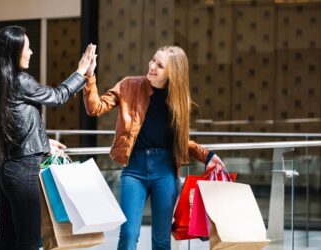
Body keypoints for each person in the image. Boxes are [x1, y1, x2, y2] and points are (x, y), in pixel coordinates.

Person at [83, 45, 226, 250]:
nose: (152, 66)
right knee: (128, 235)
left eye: (160, 65)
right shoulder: (129, 85)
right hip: (134, 169)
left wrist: (207, 155)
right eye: (153, 60)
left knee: (161, 239)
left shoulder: (178, 101)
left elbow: (180, 141)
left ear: (172, 73)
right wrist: (89, 76)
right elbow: (94, 108)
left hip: (165, 171)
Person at [0, 26, 96, 250]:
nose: (31, 52)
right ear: (14, 52)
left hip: (6, 171)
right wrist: (81, 72)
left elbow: (14, 124)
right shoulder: (20, 80)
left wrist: (43, 142)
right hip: (24, 172)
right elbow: (57, 96)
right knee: (29, 241)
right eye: (27, 47)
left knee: (6, 239)